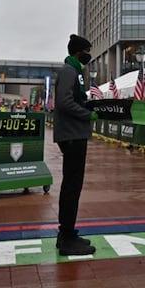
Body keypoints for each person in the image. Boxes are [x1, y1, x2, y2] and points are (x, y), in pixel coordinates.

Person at [53, 34, 99, 256]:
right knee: (71, 186)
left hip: (74, 134)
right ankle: (66, 236)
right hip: (72, 134)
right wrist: (86, 114)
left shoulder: (74, 71)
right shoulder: (70, 71)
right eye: (86, 50)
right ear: (78, 51)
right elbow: (64, 101)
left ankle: (68, 232)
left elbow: (72, 99)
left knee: (73, 185)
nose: (88, 54)